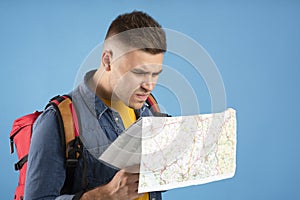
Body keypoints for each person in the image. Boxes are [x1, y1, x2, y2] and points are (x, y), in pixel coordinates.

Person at [24, 11, 167, 200]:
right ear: (108, 60)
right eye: (138, 73)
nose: (149, 85)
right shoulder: (57, 120)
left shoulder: (150, 110)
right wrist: (105, 195)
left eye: (155, 74)